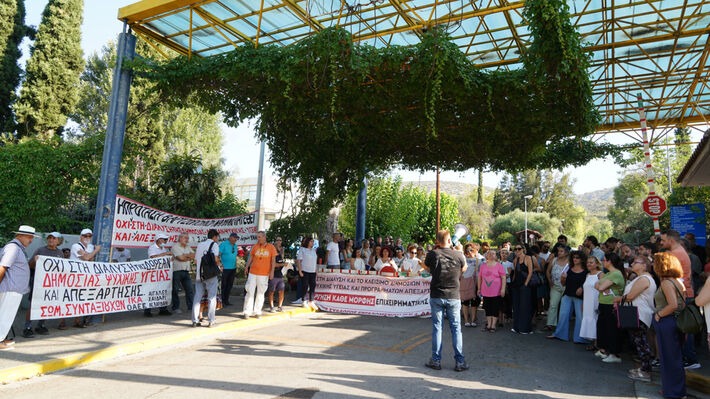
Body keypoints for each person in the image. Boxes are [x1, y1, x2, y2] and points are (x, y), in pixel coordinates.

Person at [422, 229, 469, 372]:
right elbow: (464, 269)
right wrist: (460, 252)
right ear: (450, 240)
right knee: (456, 329)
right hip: (453, 295)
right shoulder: (458, 255)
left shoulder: (433, 254)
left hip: (437, 294)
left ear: (437, 241)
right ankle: (459, 362)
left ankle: (436, 361)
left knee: (437, 328)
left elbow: (428, 269)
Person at [660, 230, 699, 370]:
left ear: (670, 240)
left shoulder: (675, 254)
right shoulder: (679, 251)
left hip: (681, 295)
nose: (661, 243)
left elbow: (665, 275)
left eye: (663, 240)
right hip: (682, 294)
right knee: (683, 328)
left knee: (684, 328)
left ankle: (689, 358)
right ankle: (687, 357)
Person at [652, 252, 687, 399]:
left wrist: (659, 315)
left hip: (667, 321)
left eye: (655, 262)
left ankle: (673, 392)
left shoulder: (666, 283)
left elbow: (672, 305)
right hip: (675, 321)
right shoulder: (678, 281)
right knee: (673, 357)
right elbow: (682, 303)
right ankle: (672, 389)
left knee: (669, 358)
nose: (653, 265)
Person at [0, 225, 39, 350]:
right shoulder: (13, 248)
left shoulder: (18, 248)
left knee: (7, 315)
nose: (31, 240)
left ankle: (1, 337)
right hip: (10, 289)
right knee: (4, 315)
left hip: (14, 289)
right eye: (29, 237)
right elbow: (3, 267)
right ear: (20, 235)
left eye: (32, 237)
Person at [619, 256, 657, 383]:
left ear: (644, 266)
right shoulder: (639, 278)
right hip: (636, 314)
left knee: (641, 343)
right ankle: (643, 367)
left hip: (640, 314)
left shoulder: (645, 279)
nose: (632, 263)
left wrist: (619, 299)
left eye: (636, 262)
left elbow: (630, 296)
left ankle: (646, 371)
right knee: (638, 342)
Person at [25, 232, 64, 338]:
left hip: (51, 284)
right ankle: (27, 327)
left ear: (59, 241)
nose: (51, 240)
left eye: (54, 238)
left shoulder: (60, 253)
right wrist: (35, 260)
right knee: (33, 304)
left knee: (46, 305)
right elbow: (30, 266)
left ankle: (41, 325)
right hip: (38, 282)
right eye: (49, 238)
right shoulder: (40, 251)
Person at [62, 228, 101, 328]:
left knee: (81, 299)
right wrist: (95, 251)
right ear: (81, 236)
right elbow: (87, 258)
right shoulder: (76, 246)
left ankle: (77, 321)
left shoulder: (90, 246)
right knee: (68, 298)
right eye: (85, 236)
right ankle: (62, 322)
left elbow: (90, 258)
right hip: (74, 276)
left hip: (84, 276)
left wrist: (88, 254)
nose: (87, 238)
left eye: (89, 236)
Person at [549, 251, 587, 343]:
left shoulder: (586, 271)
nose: (575, 259)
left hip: (579, 297)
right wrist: (563, 279)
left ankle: (580, 338)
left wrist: (582, 288)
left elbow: (588, 283)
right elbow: (563, 284)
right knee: (563, 314)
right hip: (567, 294)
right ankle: (560, 334)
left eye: (577, 257)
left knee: (580, 317)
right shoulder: (568, 268)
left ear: (582, 259)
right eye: (574, 257)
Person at [594, 252, 626, 363]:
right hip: (603, 303)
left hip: (611, 304)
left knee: (612, 329)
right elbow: (597, 285)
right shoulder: (608, 274)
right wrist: (600, 286)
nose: (602, 261)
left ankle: (614, 353)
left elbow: (600, 286)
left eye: (604, 260)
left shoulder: (616, 274)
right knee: (603, 327)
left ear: (609, 261)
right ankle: (605, 350)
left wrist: (601, 286)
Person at [243, 231, 276, 318]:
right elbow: (251, 257)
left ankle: (257, 311)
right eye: (257, 237)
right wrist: (247, 267)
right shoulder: (255, 246)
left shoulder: (271, 247)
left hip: (264, 274)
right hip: (253, 273)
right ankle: (247, 311)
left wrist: (272, 272)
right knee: (250, 291)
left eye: (260, 237)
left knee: (260, 293)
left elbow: (273, 261)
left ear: (264, 237)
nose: (258, 239)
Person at [193, 229, 222, 327]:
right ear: (214, 237)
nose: (217, 239)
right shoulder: (214, 245)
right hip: (210, 274)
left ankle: (194, 320)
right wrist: (219, 265)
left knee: (197, 297)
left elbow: (196, 261)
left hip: (199, 274)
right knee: (212, 297)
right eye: (217, 237)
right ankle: (211, 320)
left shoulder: (200, 245)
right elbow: (215, 259)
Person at [145, 233, 173, 317]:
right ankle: (147, 310)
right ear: (158, 239)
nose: (166, 241)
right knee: (151, 291)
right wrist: (165, 254)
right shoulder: (152, 247)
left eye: (166, 239)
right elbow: (152, 257)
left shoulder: (164, 248)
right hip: (153, 273)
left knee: (163, 290)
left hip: (162, 273)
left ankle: (163, 309)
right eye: (164, 239)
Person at [478, 250, 506, 332]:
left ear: (496, 256)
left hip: (496, 291)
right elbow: (479, 278)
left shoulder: (499, 265)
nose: (491, 255)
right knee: (487, 308)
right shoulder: (483, 265)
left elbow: (503, 278)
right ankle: (489, 324)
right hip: (485, 291)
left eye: (493, 253)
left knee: (495, 308)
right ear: (487, 255)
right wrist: (479, 288)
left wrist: (503, 289)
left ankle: (493, 325)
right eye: (489, 253)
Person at [580, 256, 603, 349]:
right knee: (589, 319)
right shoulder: (587, 275)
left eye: (591, 262)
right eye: (588, 262)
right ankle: (593, 342)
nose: (588, 264)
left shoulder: (600, 274)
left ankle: (598, 343)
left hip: (596, 301)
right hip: (587, 301)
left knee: (596, 319)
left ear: (597, 264)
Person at [545, 245, 570, 331]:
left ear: (566, 253)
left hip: (566, 287)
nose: (559, 253)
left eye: (561, 251)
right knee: (553, 304)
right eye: (558, 251)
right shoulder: (554, 260)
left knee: (564, 307)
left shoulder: (570, 262)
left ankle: (562, 325)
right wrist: (549, 280)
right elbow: (548, 271)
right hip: (555, 286)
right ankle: (550, 324)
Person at [511, 245, 535, 334]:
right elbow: (515, 274)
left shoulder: (528, 258)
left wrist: (525, 284)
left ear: (523, 249)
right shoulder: (515, 260)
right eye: (515, 249)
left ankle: (525, 328)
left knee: (525, 307)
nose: (517, 250)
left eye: (519, 249)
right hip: (516, 286)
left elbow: (530, 272)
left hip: (525, 286)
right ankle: (516, 327)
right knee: (516, 307)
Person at [170, 233, 195, 314]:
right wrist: (187, 256)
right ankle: (175, 307)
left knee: (190, 289)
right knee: (175, 290)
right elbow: (180, 258)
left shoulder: (188, 247)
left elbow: (194, 255)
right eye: (185, 238)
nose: (187, 240)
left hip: (186, 270)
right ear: (180, 238)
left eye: (187, 238)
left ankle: (191, 306)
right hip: (177, 271)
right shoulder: (175, 247)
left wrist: (185, 256)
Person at [461, 243, 481, 327]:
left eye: (471, 250)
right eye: (467, 250)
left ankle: (473, 320)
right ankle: (466, 320)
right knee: (465, 302)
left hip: (475, 283)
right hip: (464, 283)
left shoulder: (480, 260)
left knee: (474, 303)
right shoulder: (463, 259)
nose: (469, 252)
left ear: (476, 250)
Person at [297, 236, 318, 309]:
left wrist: (316, 269)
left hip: (312, 271)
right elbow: (299, 260)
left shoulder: (313, 250)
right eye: (311, 241)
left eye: (313, 241)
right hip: (305, 270)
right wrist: (300, 270)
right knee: (305, 285)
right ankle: (303, 300)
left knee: (313, 285)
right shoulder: (302, 249)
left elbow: (315, 260)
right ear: (307, 242)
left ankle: (311, 301)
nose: (312, 243)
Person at [219, 233, 239, 306]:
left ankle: (226, 300)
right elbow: (218, 254)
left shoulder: (235, 246)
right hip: (225, 268)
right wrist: (220, 264)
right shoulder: (223, 244)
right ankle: (221, 301)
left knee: (229, 285)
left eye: (236, 238)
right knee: (223, 285)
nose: (236, 239)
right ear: (230, 237)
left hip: (233, 268)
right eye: (234, 238)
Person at [267, 237, 286, 312]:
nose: (279, 242)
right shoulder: (272, 250)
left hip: (280, 274)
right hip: (273, 273)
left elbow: (282, 260)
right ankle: (271, 306)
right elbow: (273, 264)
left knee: (281, 289)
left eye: (280, 240)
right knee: (271, 291)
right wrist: (282, 264)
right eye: (277, 240)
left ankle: (280, 306)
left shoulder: (281, 250)